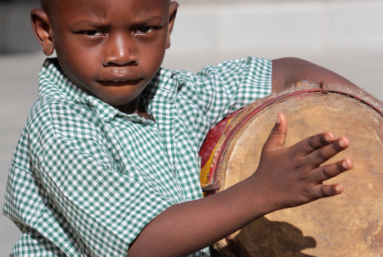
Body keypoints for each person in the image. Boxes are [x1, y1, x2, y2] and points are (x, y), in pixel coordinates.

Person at [3, 0, 356, 256]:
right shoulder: (59, 125)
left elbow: (288, 72)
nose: (122, 53)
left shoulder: (175, 94)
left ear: (168, 24)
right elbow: (143, 243)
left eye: (144, 29)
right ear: (46, 31)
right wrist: (262, 192)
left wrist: (371, 117)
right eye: (93, 33)